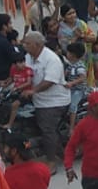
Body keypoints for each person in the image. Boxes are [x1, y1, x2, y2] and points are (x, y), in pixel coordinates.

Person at [20, 32, 71, 170]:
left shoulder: (51, 59)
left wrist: (33, 91)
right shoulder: (29, 57)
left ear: (38, 45)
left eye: (27, 43)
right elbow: (24, 72)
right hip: (38, 99)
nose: (24, 46)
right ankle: (64, 154)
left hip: (53, 101)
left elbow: (49, 81)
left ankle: (51, 162)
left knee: (47, 130)